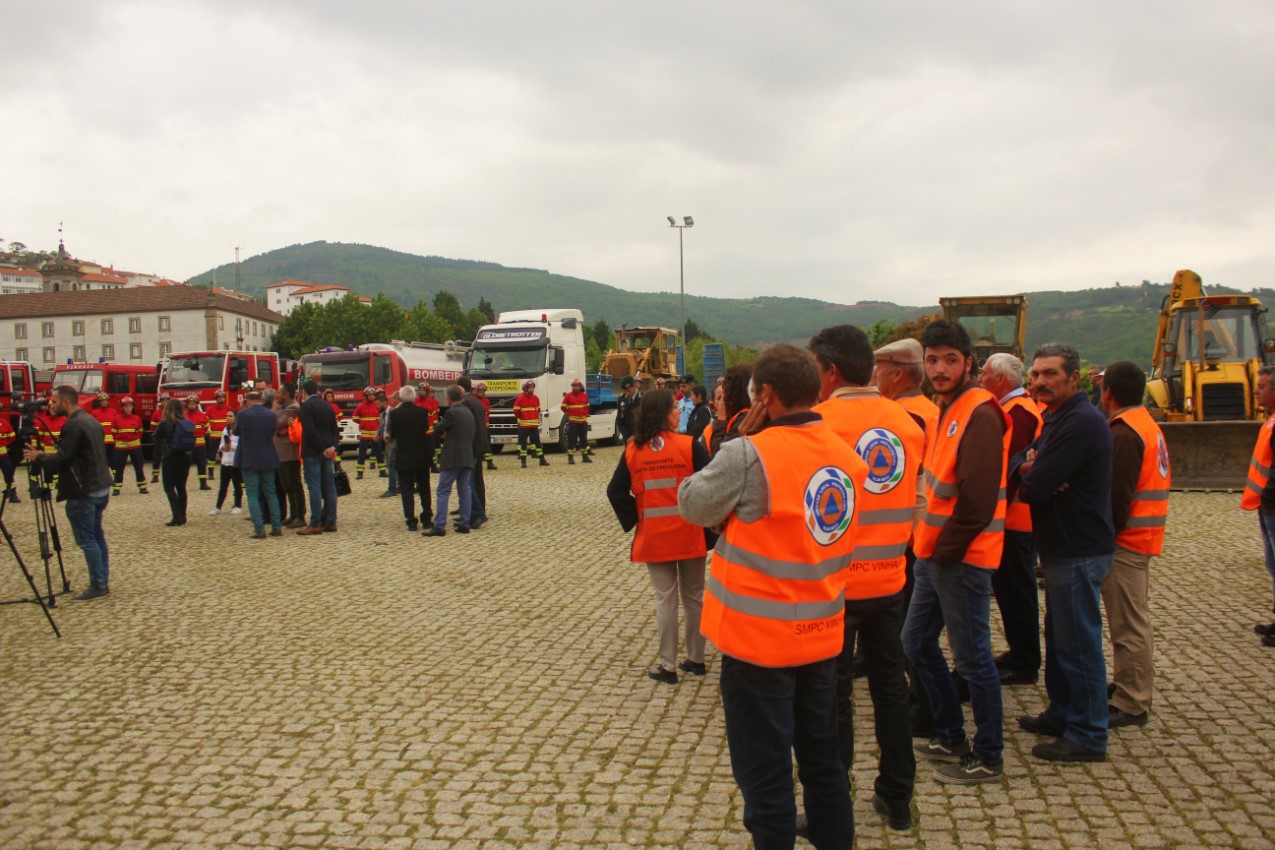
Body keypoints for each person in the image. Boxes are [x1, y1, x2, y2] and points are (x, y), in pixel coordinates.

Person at [678, 343, 865, 850]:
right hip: (822, 636)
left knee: (766, 774)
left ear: (768, 395)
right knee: (823, 764)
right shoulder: (847, 456)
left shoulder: (747, 451)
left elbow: (693, 504)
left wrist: (741, 437)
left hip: (758, 644)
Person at [807, 325, 922, 830]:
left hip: (837, 585)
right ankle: (897, 797)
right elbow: (918, 499)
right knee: (890, 687)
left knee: (834, 696)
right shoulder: (910, 422)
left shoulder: (818, 423)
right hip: (891, 578)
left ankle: (835, 801)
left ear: (830, 371)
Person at [902, 319, 1009, 785]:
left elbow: (978, 503)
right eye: (932, 360)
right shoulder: (950, 407)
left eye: (949, 360)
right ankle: (949, 731)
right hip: (936, 554)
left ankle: (988, 753)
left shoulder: (980, 413)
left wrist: (944, 551)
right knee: (916, 642)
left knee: (974, 660)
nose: (940, 369)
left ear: (969, 363)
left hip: (961, 558)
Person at [1011, 342, 1115, 763]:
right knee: (1059, 638)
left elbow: (1032, 489)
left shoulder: (1081, 423)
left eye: (1049, 374)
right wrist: (1029, 465)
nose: (1039, 382)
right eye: (1035, 375)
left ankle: (1088, 733)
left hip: (1078, 547)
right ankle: (1062, 713)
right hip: (1060, 548)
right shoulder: (1055, 418)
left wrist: (1034, 472)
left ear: (1074, 379)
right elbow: (1020, 464)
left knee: (1078, 643)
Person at [607, 389, 710, 684]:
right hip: (689, 533)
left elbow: (614, 491)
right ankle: (697, 659)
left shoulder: (633, 449)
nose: (679, 411)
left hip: (654, 536)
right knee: (694, 598)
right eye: (675, 407)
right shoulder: (690, 445)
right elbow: (709, 485)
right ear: (664, 413)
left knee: (666, 599)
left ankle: (667, 666)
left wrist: (636, 516)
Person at [1099, 361, 1169, 726]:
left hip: (1125, 543)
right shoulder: (1146, 424)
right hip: (1141, 537)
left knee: (1128, 625)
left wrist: (1100, 538)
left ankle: (1132, 700)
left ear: (1106, 392)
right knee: (1132, 620)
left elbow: (1116, 498)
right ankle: (1129, 684)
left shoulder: (1124, 433)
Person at [980, 352, 1045, 685]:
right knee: (1010, 591)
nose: (980, 379)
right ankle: (1020, 652)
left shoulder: (1019, 414)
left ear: (1001, 380)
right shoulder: (1014, 410)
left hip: (1015, 519)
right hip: (1012, 517)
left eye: (985, 374)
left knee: (1016, 592)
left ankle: (1025, 661)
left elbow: (1012, 468)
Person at [22, 385, 115, 601]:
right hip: (100, 486)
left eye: (53, 402)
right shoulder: (91, 420)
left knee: (88, 539)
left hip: (84, 490)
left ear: (65, 402)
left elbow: (63, 458)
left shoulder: (73, 425)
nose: (50, 406)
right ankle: (102, 580)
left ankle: (98, 584)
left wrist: (39, 457)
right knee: (97, 536)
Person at [1247, 366, 1275, 645]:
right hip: (1266, 507)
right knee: (1272, 565)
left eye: (1262, 386)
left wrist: (1268, 497)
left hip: (1272, 507)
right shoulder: (1270, 421)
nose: (1256, 390)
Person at [424, 385, 474, 537]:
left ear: (449, 398)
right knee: (465, 490)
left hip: (452, 457)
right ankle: (465, 523)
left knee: (443, 491)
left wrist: (444, 433)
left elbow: (438, 428)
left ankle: (440, 526)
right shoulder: (468, 412)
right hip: (466, 455)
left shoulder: (451, 413)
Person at [235, 390, 284, 540]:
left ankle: (259, 528)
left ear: (248, 400)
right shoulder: (271, 414)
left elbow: (236, 432)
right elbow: (273, 431)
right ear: (261, 399)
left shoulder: (243, 414)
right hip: (268, 457)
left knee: (252, 493)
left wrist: (243, 408)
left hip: (249, 458)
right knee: (271, 492)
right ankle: (276, 526)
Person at [296, 380, 340, 535]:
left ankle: (315, 523)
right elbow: (335, 431)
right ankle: (331, 521)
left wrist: (321, 449)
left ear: (305, 392)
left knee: (314, 486)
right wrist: (332, 447)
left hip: (313, 451)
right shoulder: (327, 406)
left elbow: (309, 430)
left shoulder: (307, 406)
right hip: (328, 450)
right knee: (329, 486)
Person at [390, 385, 433, 531]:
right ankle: (427, 518)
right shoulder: (422, 412)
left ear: (401, 398)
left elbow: (393, 434)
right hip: (421, 455)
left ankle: (411, 520)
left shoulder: (394, 414)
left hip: (404, 456)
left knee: (406, 489)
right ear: (414, 397)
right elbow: (426, 428)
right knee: (424, 488)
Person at [153, 397, 194, 527]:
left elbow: (155, 436)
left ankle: (176, 516)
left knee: (169, 487)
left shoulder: (165, 422)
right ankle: (183, 515)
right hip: (185, 456)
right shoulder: (186, 421)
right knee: (181, 487)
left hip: (170, 457)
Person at [458, 377, 490, 528]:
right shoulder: (477, 401)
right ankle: (477, 509)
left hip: (471, 444)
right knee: (477, 479)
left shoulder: (466, 402)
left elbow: (467, 425)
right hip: (481, 443)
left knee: (468, 481)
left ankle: (476, 513)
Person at [273, 382, 306, 527]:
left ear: (286, 394)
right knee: (286, 484)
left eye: (279, 392)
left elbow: (277, 424)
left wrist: (274, 415)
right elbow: (279, 426)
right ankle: (293, 514)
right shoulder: (282, 407)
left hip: (290, 452)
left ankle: (300, 515)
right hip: (281, 452)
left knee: (294, 483)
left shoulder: (293, 407)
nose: (276, 395)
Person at [110, 397, 148, 496]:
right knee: (119, 468)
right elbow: (113, 433)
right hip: (121, 447)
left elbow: (140, 432)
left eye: (130, 406)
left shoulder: (137, 418)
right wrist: (122, 439)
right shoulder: (116, 419)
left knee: (139, 467)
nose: (128, 408)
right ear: (122, 407)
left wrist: (133, 439)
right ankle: (117, 488)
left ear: (132, 407)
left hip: (135, 446)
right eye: (126, 407)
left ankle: (142, 486)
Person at [210, 408, 244, 515]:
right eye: (227, 416)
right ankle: (218, 507)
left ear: (236, 418)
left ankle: (237, 505)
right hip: (225, 461)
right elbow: (220, 444)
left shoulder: (239, 431)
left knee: (237, 485)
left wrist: (231, 446)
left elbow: (241, 446)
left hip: (235, 462)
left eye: (230, 416)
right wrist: (223, 447)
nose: (228, 418)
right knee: (223, 486)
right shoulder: (224, 430)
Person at [513, 380, 550, 467]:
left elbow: (538, 410)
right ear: (526, 388)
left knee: (537, 443)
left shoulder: (536, 398)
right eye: (530, 387)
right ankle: (523, 462)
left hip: (533, 425)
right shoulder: (520, 399)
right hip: (524, 425)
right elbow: (516, 411)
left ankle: (542, 460)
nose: (531, 389)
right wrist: (523, 418)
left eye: (532, 387)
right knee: (523, 444)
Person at [561, 378, 592, 464]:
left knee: (584, 440)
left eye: (577, 386)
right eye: (575, 386)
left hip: (582, 421)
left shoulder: (584, 396)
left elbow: (587, 407)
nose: (576, 388)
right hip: (573, 422)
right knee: (572, 440)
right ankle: (570, 457)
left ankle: (585, 456)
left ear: (580, 387)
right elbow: (563, 407)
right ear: (572, 387)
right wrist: (569, 413)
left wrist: (585, 415)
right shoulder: (568, 396)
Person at [185, 394, 211, 491]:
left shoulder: (202, 415)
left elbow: (206, 429)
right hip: (188, 445)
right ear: (187, 404)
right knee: (185, 465)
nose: (192, 405)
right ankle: (182, 483)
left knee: (202, 464)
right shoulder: (183, 416)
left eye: (193, 403)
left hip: (200, 445)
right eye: (190, 403)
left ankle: (203, 484)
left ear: (197, 404)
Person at [354, 386, 380, 479]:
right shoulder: (361, 406)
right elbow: (355, 417)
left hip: (375, 433)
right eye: (370, 395)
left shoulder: (377, 405)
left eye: (373, 395)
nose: (372, 396)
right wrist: (363, 423)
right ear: (366, 396)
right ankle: (360, 473)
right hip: (365, 434)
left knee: (379, 453)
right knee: (362, 454)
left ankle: (383, 471)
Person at [377, 390, 400, 498]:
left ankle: (393, 487)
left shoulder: (393, 412)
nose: (377, 406)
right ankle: (397, 485)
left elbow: (394, 427)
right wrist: (378, 435)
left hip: (393, 442)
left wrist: (389, 436)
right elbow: (382, 426)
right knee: (390, 463)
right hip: (386, 442)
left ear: (383, 402)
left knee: (392, 464)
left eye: (378, 404)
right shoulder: (382, 414)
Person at [204, 390, 231, 478]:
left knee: (226, 454)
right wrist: (208, 430)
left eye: (222, 397)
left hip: (225, 435)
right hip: (214, 436)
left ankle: (227, 472)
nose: (221, 399)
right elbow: (206, 421)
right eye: (219, 397)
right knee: (211, 455)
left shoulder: (228, 408)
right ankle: (210, 472)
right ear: (216, 399)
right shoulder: (210, 409)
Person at [475, 381, 496, 470]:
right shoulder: (474, 401)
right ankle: (477, 463)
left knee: (487, 445)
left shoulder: (486, 401)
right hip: (477, 427)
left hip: (486, 427)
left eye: (482, 391)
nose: (481, 393)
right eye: (479, 391)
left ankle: (489, 463)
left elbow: (488, 413)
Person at [615, 375, 641, 442]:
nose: (626, 393)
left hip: (641, 438)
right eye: (625, 390)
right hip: (628, 439)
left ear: (635, 386)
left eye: (629, 390)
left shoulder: (643, 398)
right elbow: (620, 420)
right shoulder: (621, 399)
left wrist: (637, 436)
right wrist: (626, 437)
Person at [0, 412, 17, 503]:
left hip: (3, 454)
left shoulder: (5, 423)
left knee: (9, 474)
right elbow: (11, 438)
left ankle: (12, 493)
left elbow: (12, 437)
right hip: (3, 453)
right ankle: (13, 495)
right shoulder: (4, 423)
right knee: (8, 474)